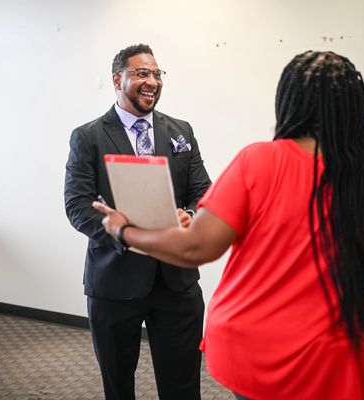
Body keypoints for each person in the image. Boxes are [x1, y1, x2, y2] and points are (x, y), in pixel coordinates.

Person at [93, 51, 364, 400]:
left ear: (289, 102)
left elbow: (197, 246)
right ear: (355, 105)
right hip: (351, 349)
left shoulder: (260, 162)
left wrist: (124, 230)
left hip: (268, 350)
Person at [64, 44, 211, 400]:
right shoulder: (89, 136)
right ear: (118, 79)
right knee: (118, 385)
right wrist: (120, 231)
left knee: (183, 385)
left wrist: (190, 215)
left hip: (176, 281)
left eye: (157, 74)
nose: (152, 82)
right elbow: (77, 205)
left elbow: (203, 191)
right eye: (142, 73)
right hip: (114, 281)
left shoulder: (181, 131)